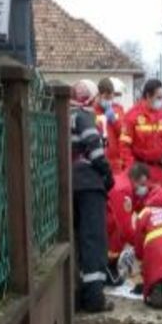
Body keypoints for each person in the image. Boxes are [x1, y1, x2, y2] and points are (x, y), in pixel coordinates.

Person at [70, 79, 115, 312]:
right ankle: (95, 299)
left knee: (76, 240)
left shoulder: (60, 116)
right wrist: (107, 176)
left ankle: (78, 295)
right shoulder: (83, 117)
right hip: (89, 185)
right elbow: (95, 152)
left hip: (68, 186)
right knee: (93, 240)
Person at [122, 78, 162, 186]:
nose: (161, 100)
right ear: (148, 96)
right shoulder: (132, 116)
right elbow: (124, 146)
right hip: (141, 171)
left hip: (160, 170)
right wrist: (133, 170)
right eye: (158, 97)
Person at [95, 77, 132, 173]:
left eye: (111, 98)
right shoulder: (93, 111)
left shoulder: (118, 110)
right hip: (99, 161)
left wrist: (114, 120)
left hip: (116, 162)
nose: (109, 101)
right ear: (99, 95)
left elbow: (124, 133)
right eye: (106, 98)